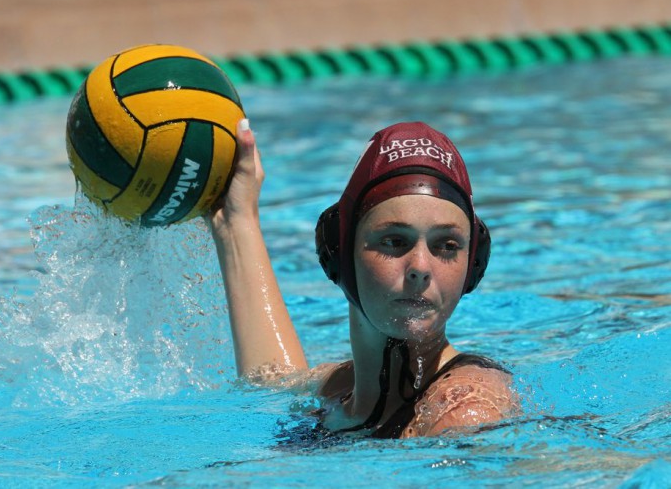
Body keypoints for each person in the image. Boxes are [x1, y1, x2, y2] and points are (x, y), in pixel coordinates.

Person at [209, 119, 518, 439]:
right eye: (395, 241)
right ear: (339, 254)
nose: (421, 266)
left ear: (473, 265)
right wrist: (235, 221)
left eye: (447, 246)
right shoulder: (340, 387)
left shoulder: (464, 410)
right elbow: (270, 382)